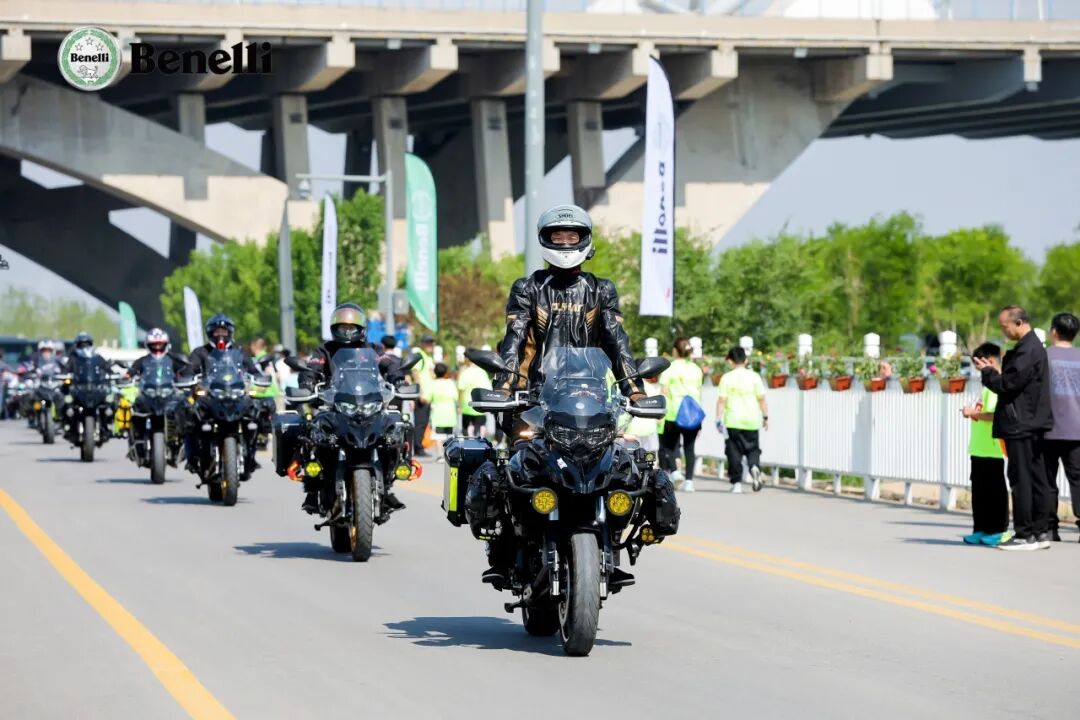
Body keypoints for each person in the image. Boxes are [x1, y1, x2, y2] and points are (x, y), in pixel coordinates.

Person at [475, 203, 679, 589]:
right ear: (545, 240)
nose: (565, 243)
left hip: (590, 399)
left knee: (625, 466)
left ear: (585, 241)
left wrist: (634, 388)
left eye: (573, 236)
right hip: (535, 400)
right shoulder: (528, 287)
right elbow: (515, 339)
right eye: (558, 236)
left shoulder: (601, 290)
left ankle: (612, 543)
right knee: (513, 469)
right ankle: (503, 550)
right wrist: (504, 387)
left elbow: (617, 342)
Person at [298, 303, 408, 514]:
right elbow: (313, 366)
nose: (347, 332)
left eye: (351, 327)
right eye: (342, 327)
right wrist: (307, 382)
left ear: (362, 328)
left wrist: (399, 379)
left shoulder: (373, 350)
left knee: (393, 431)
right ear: (334, 328)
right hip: (334, 405)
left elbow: (388, 363)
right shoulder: (325, 349)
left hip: (369, 404)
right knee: (314, 433)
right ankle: (312, 489)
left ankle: (387, 482)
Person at [973, 305, 1054, 551]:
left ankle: (1024, 534)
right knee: (1036, 478)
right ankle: (1039, 532)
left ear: (1018, 323)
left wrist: (987, 373)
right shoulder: (1030, 348)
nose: (1003, 330)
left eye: (1004, 326)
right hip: (1031, 423)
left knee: (1022, 480)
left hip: (1021, 424)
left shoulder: (1027, 350)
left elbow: (1007, 385)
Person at [961, 343, 1011, 546]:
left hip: (993, 448)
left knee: (995, 491)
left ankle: (998, 530)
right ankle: (980, 527)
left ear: (989, 362)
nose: (977, 370)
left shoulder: (997, 385)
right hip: (979, 447)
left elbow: (996, 415)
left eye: (978, 365)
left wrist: (973, 413)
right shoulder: (985, 386)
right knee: (979, 491)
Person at [1043, 312, 1080, 542]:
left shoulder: (1044, 357)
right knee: (1079, 478)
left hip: (1047, 428)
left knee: (1047, 480)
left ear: (1054, 331)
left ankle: (1049, 528)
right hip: (1077, 429)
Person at [715, 346, 769, 494]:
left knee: (733, 452)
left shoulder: (727, 377)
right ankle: (754, 467)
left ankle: (737, 483)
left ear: (730, 361)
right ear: (746, 360)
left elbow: (721, 400)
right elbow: (762, 399)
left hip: (733, 420)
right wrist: (765, 416)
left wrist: (718, 419)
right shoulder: (754, 377)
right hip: (751, 420)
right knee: (753, 449)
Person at [658, 337, 704, 492]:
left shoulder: (669, 368)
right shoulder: (696, 369)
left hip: (673, 413)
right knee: (690, 449)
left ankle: (676, 472)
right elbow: (699, 392)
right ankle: (689, 481)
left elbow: (664, 392)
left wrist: (661, 415)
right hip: (692, 414)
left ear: (675, 350)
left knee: (668, 445)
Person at [625, 359, 662, 452]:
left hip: (630, 432)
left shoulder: (627, 387)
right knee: (650, 462)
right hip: (649, 430)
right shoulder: (654, 387)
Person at [410, 335, 437, 457]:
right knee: (420, 423)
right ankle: (417, 447)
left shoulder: (428, 357)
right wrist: (419, 392)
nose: (430, 346)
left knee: (424, 422)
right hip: (422, 395)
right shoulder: (419, 354)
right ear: (422, 343)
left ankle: (419, 445)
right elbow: (415, 372)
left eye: (431, 343)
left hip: (428, 395)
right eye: (427, 343)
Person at [427, 362, 458, 459]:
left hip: (438, 413)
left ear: (435, 372)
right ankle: (449, 454)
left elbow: (429, 398)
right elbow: (455, 397)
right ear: (445, 372)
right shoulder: (450, 383)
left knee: (438, 436)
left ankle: (440, 455)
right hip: (450, 412)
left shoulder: (433, 384)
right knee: (449, 435)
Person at [456, 354, 491, 438]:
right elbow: (487, 389)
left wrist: (459, 406)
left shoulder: (464, 372)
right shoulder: (483, 372)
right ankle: (479, 445)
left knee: (466, 428)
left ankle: (468, 444)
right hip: (480, 405)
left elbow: (461, 390)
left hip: (467, 405)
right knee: (480, 426)